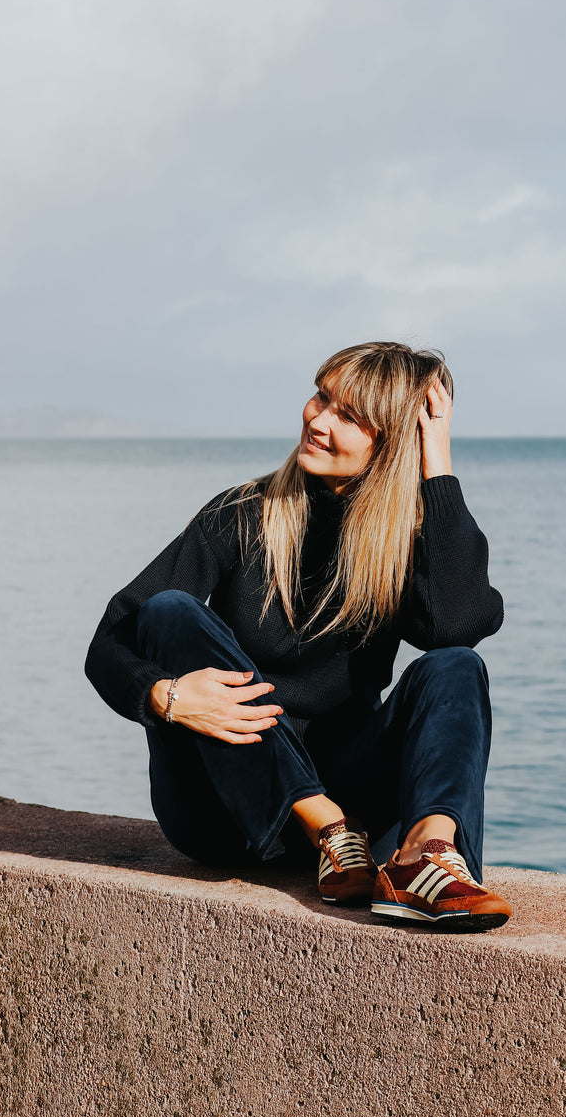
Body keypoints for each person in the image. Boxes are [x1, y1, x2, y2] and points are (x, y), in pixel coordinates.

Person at [84, 341, 512, 932]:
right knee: (170, 611)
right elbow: (110, 639)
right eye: (321, 396)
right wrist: (166, 697)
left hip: (359, 814)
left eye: (348, 415)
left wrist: (436, 463)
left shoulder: (404, 539)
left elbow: (456, 625)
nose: (317, 418)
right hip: (224, 809)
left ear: (390, 443)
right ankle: (323, 824)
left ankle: (426, 855)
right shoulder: (240, 513)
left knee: (457, 667)